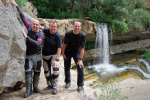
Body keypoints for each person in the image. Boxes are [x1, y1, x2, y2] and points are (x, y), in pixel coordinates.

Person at [10, 0, 43, 98]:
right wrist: (16, 5)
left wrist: (26, 37)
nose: (35, 26)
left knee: (37, 72)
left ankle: (35, 87)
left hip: (37, 56)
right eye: (34, 24)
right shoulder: (28, 27)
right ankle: (28, 90)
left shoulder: (40, 33)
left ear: (38, 25)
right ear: (32, 24)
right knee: (28, 73)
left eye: (37, 24)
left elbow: (37, 44)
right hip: (29, 56)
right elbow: (23, 17)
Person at [62, 21, 86, 91]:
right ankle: (67, 82)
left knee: (80, 67)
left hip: (76, 52)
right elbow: (64, 44)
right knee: (67, 67)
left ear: (80, 27)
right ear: (73, 26)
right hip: (68, 51)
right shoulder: (68, 34)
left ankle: (80, 85)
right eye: (76, 26)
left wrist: (80, 59)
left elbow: (82, 48)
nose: (77, 27)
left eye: (78, 26)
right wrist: (63, 54)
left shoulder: (82, 35)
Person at [40, 20, 62, 94]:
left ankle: (55, 87)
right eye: (52, 26)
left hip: (53, 55)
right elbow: (41, 27)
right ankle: (49, 85)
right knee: (46, 72)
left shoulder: (58, 36)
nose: (53, 28)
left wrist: (57, 60)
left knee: (55, 70)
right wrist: (37, 26)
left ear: (56, 26)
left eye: (55, 26)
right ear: (49, 26)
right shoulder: (46, 30)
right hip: (45, 55)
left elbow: (59, 49)